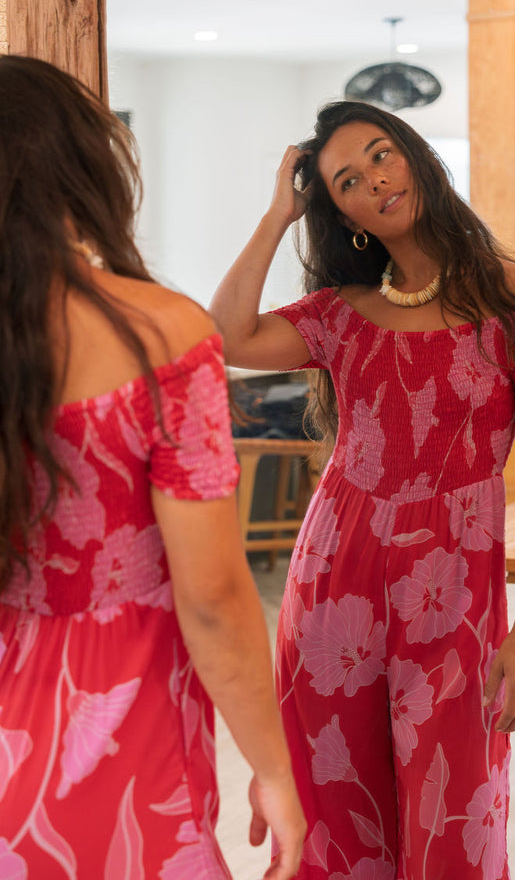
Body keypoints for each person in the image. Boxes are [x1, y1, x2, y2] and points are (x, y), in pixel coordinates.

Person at [210, 100, 515, 880]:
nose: (374, 180)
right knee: (334, 819)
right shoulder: (344, 314)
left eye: (382, 155)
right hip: (332, 584)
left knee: (455, 822)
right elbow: (227, 336)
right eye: (346, 180)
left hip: (457, 593)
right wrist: (279, 213)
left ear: (415, 155)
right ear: (337, 210)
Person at [0, 56, 305, 879]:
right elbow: (211, 598)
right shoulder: (162, 333)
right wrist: (274, 770)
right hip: (116, 718)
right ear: (83, 167)